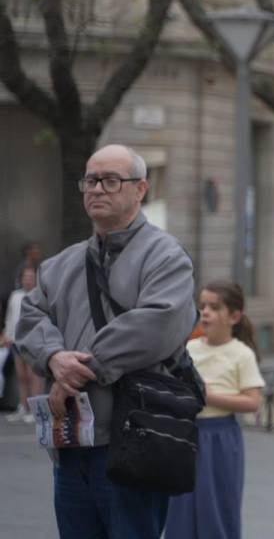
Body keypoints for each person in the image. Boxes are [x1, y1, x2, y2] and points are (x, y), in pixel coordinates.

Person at [15, 144, 196, 539]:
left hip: (133, 439)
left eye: (111, 180)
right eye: (91, 180)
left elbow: (155, 325)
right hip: (71, 444)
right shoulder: (61, 264)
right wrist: (54, 357)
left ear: (140, 189)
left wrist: (77, 372)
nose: (97, 189)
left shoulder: (166, 257)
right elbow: (30, 318)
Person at [164, 280, 264, 539]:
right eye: (202, 306)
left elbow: (253, 401)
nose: (205, 312)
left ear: (234, 316)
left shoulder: (241, 354)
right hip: (185, 435)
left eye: (214, 307)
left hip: (220, 437)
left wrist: (210, 396)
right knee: (180, 507)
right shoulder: (188, 349)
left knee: (217, 507)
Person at [3, 264, 44, 422]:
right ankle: (23, 406)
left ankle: (35, 409)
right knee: (21, 377)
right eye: (25, 277)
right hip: (15, 341)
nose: (28, 280)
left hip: (33, 341)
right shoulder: (15, 296)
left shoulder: (39, 295)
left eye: (31, 277)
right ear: (21, 279)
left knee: (33, 376)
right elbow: (10, 317)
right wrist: (7, 335)